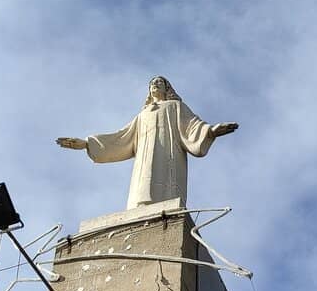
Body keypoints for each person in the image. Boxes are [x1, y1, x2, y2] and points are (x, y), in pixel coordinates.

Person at [57, 76, 238, 210]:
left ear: (167, 88)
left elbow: (192, 125)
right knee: (142, 191)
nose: (155, 84)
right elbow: (121, 138)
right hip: (143, 161)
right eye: (152, 83)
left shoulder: (175, 107)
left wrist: (210, 131)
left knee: (167, 190)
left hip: (169, 156)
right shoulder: (143, 115)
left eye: (159, 82)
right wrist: (87, 144)